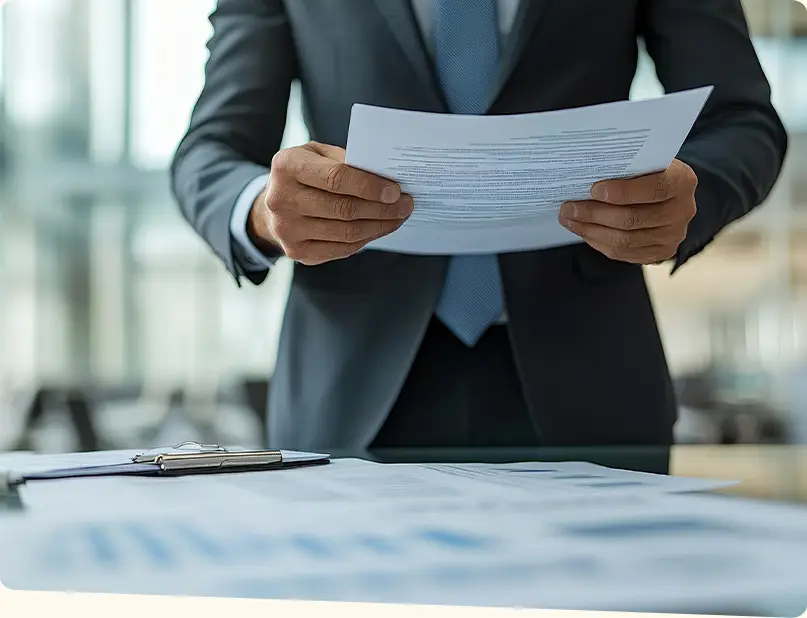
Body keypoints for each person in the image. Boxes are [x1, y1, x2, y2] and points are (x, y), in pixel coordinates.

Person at [170, 0, 787, 451]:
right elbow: (211, 151)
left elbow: (743, 122)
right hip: (348, 389)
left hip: (593, 381)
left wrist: (690, 196)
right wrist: (262, 210)